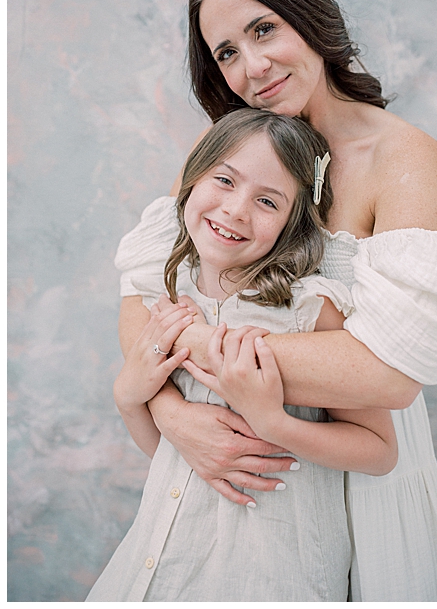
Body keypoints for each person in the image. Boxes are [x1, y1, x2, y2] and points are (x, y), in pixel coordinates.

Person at [114, 0, 437, 601]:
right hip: (223, 454)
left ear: (309, 18)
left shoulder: (402, 155)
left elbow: (387, 371)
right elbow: (143, 296)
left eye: (264, 29)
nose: (253, 66)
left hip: (353, 462)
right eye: (226, 51)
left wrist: (201, 343)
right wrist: (172, 416)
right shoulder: (229, 153)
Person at [90, 108, 397, 601]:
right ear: (191, 182)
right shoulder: (168, 297)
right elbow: (165, 453)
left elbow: (381, 452)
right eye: (225, 180)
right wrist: (129, 397)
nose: (235, 210)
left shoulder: (308, 311)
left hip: (272, 569)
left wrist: (274, 423)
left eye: (267, 201)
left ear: (292, 224)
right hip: (164, 555)